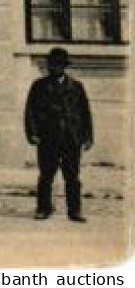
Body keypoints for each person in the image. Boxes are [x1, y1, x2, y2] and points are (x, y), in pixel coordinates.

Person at [25, 46, 94, 223]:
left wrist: (87, 136)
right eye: (51, 65)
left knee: (72, 177)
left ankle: (74, 211)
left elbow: (85, 113)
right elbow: (30, 111)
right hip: (48, 138)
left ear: (64, 67)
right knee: (46, 175)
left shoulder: (76, 87)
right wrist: (32, 133)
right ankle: (43, 209)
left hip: (71, 138)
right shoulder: (39, 86)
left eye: (58, 65)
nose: (54, 68)